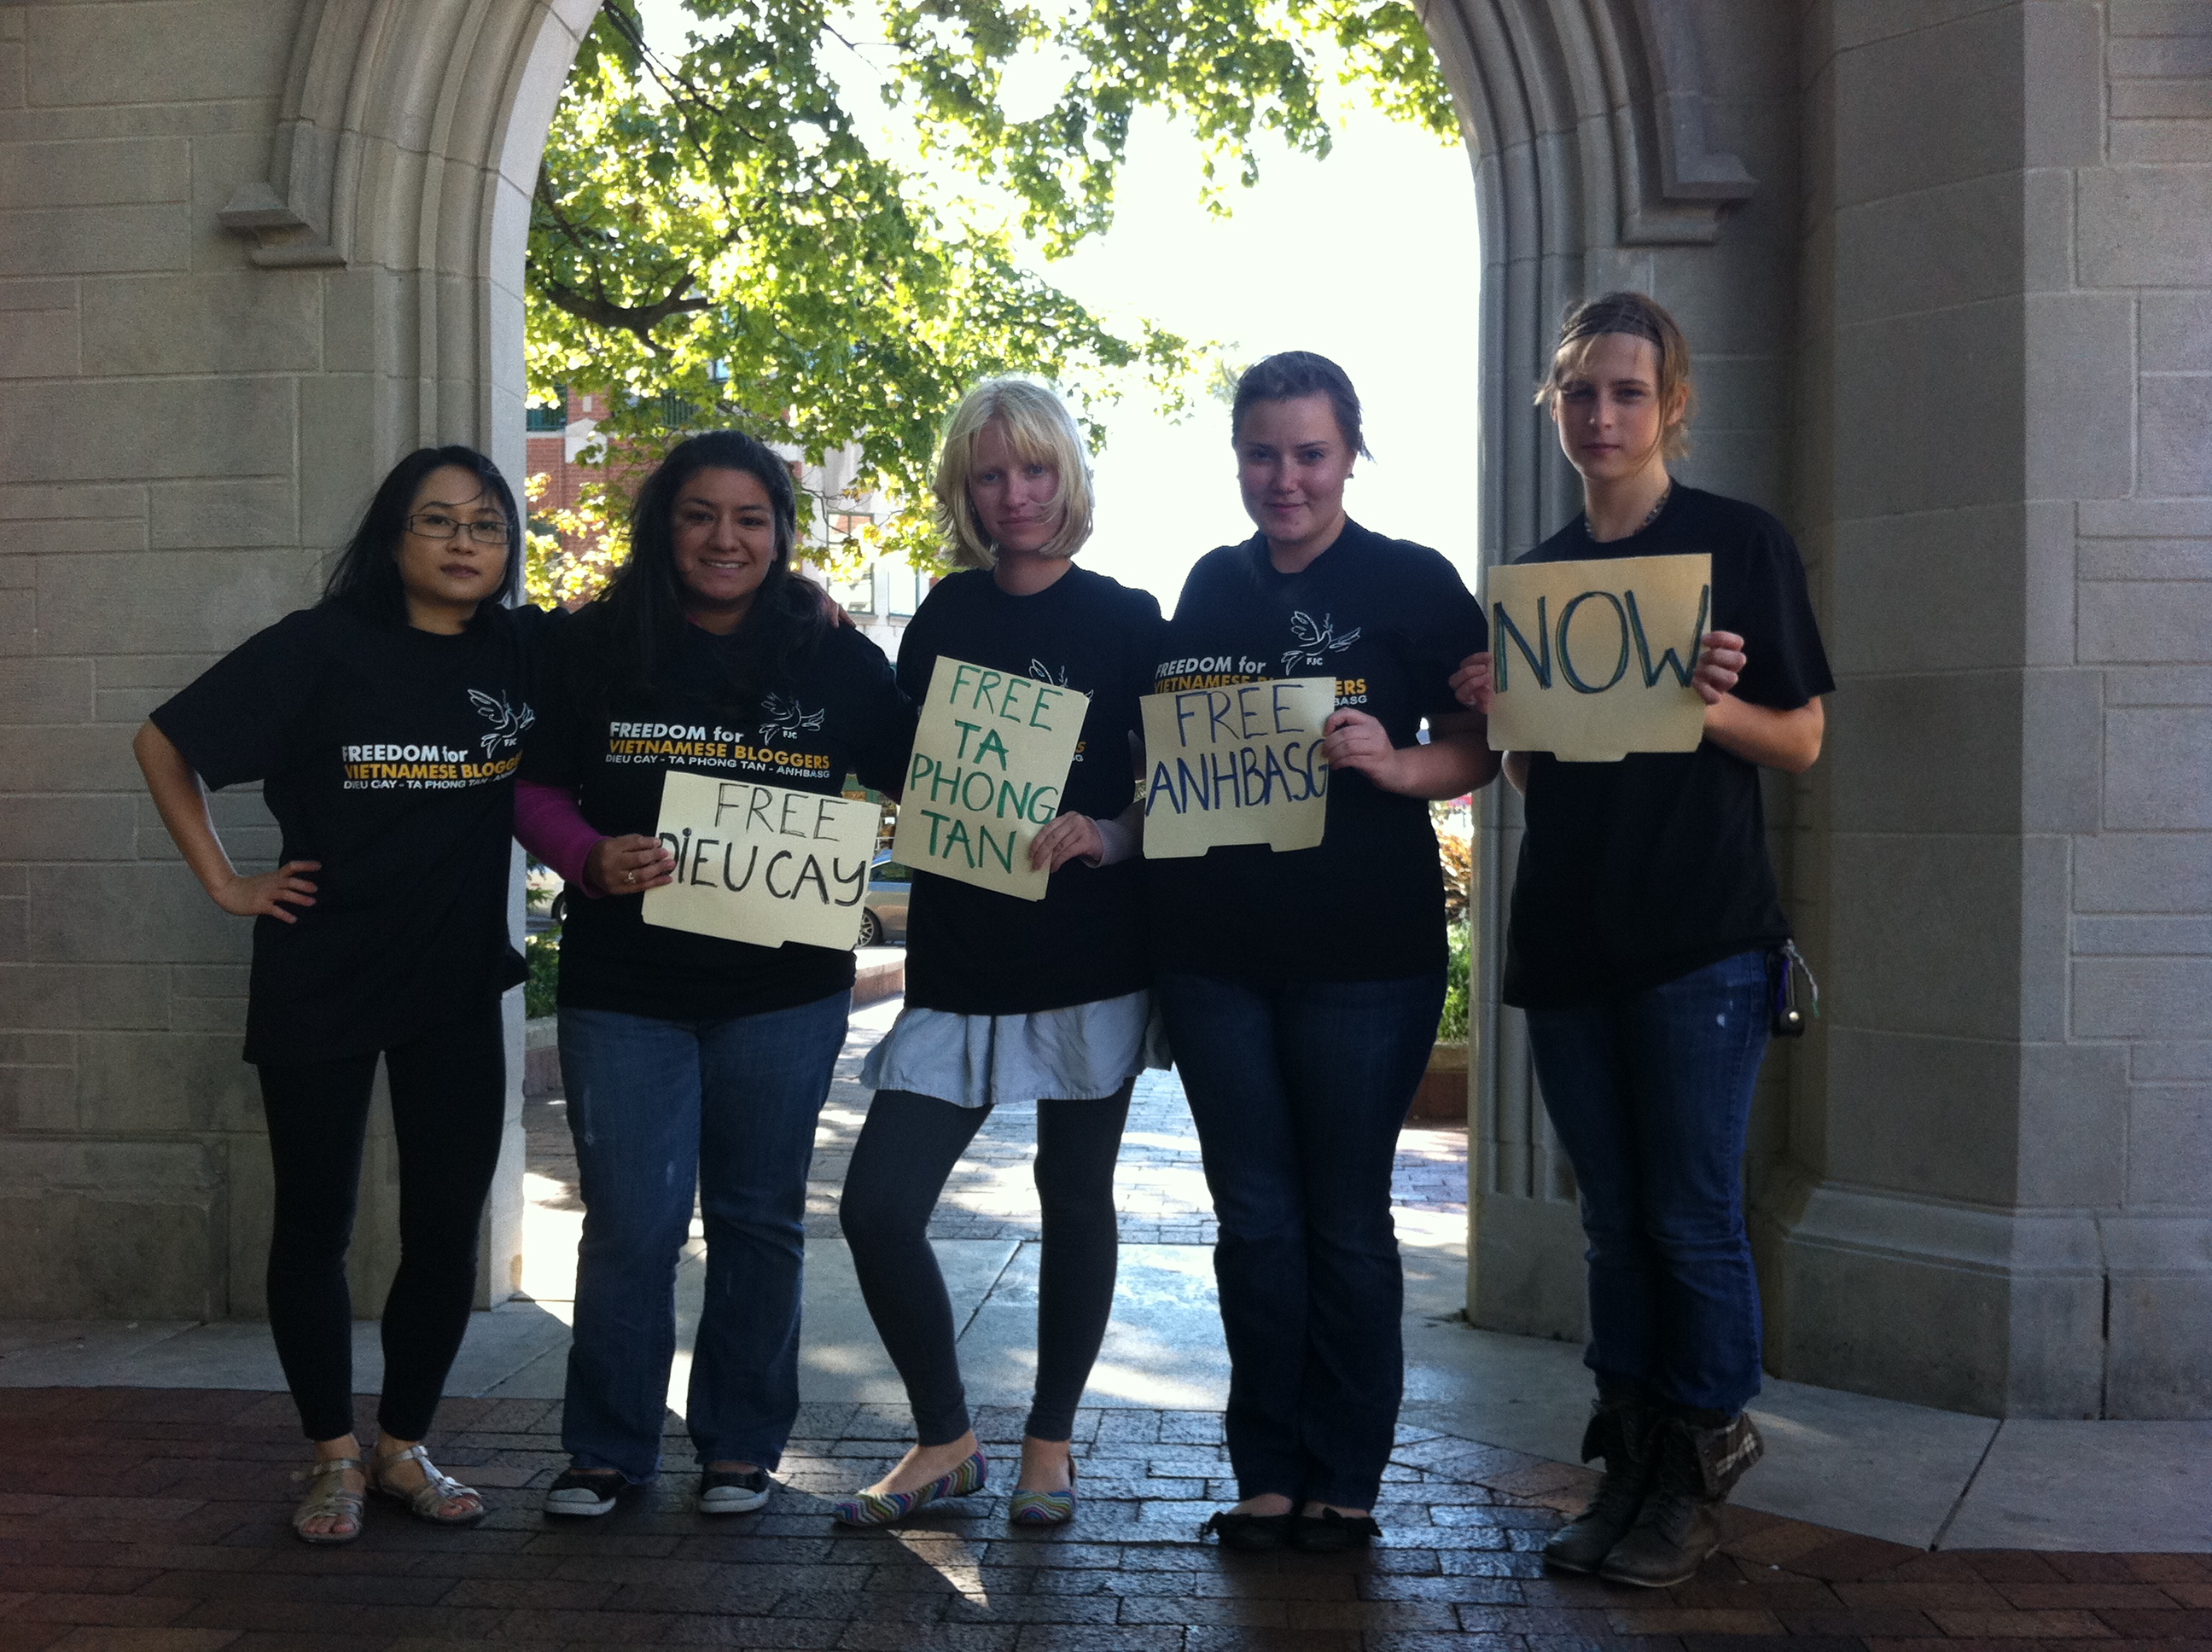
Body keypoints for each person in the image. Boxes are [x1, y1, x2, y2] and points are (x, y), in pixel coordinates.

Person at [1451, 291, 1832, 1587]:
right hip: (1570, 934)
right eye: (1579, 392)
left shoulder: (1739, 543)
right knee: (1613, 1220)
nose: (1601, 414)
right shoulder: (1541, 575)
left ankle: (1693, 1472)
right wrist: (1509, 712)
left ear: (1671, 403)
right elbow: (1536, 775)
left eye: (1626, 391)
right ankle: (1628, 1461)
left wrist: (1704, 705)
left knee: (1690, 1215)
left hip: (1700, 939)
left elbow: (1802, 739)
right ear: (1553, 406)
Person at [135, 446, 539, 1544]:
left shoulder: (521, 650)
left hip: (455, 978)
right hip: (321, 972)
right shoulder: (319, 647)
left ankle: (403, 1446)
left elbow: (655, 632)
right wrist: (228, 882)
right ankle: (331, 1458)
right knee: (315, 1223)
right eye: (438, 520)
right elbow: (164, 743)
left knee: (444, 1226)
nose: (465, 542)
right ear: (393, 537)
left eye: (487, 524)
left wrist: (803, 603)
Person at [515, 429, 912, 1520]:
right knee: (632, 1224)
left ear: (780, 533)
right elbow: (534, 787)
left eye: (749, 518)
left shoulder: (834, 654)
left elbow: (920, 773)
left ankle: (740, 1445)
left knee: (758, 1218)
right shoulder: (594, 645)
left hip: (784, 993)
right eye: (699, 514)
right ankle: (607, 1448)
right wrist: (586, 855)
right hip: (626, 987)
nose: (723, 538)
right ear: (665, 526)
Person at [1150, 352, 1499, 1553]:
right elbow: (1168, 744)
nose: (1285, 478)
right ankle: (1267, 1474)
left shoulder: (1413, 579)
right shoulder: (1211, 582)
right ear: (1237, 458)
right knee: (1254, 1219)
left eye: (1309, 453)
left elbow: (1484, 743)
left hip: (1365, 955)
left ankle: (1346, 1478)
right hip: (1214, 952)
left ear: (1351, 453)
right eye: (1262, 453)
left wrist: (1395, 765)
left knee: (1345, 1220)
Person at [831, 379, 1166, 1528]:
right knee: (878, 1207)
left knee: (1075, 1196)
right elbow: (908, 765)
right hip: (963, 954)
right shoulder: (943, 616)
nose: (1015, 493)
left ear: (1067, 476)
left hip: (1089, 954)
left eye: (1034, 469)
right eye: (990, 474)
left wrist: (1110, 833)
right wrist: (826, 645)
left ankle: (1049, 1445)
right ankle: (946, 1440)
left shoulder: (1128, 618)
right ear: (964, 491)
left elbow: (1175, 789)